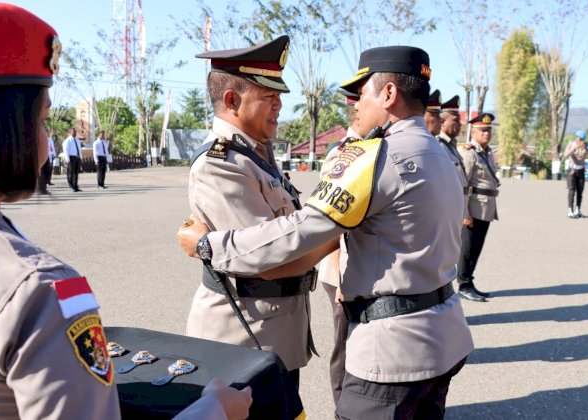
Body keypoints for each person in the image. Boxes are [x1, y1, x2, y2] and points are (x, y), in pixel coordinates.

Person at [0, 4, 251, 420]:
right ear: (0, 131)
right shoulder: (41, 289)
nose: (46, 137)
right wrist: (215, 409)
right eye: (42, 120)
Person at [179, 45, 474, 419]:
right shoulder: (440, 153)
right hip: (440, 337)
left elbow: (301, 232)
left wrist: (206, 244)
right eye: (268, 96)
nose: (358, 106)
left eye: (363, 93)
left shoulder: (376, 156)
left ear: (388, 94)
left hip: (394, 351)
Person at [184, 35, 320, 389]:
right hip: (242, 337)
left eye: (278, 97)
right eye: (268, 97)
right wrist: (338, 229)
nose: (278, 106)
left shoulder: (257, 155)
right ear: (232, 100)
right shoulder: (222, 165)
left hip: (273, 331)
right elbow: (269, 259)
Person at [317, 87, 360, 407]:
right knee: (345, 345)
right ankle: (341, 408)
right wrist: (340, 275)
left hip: (363, 268)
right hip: (342, 271)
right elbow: (329, 222)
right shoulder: (342, 152)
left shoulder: (375, 146)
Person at [457, 113, 500, 302]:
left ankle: (470, 282)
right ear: (472, 132)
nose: (487, 133)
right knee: (467, 249)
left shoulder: (488, 152)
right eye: (483, 130)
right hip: (472, 208)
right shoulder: (469, 152)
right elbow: (462, 185)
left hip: (486, 208)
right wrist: (465, 213)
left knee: (476, 248)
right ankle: (464, 285)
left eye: (489, 130)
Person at [437, 95, 470, 218]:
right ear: (442, 122)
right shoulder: (437, 145)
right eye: (456, 120)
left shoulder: (451, 145)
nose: (460, 124)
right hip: (446, 211)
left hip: (458, 208)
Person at [564, 129, 588, 218]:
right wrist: (573, 149)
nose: (580, 141)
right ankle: (570, 210)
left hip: (581, 170)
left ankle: (578, 210)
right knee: (571, 190)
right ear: (576, 138)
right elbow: (566, 155)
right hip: (572, 170)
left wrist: (586, 149)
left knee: (580, 191)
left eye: (582, 139)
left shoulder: (587, 145)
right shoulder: (571, 144)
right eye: (579, 138)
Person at [62, 127, 82, 192]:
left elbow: (79, 149)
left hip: (77, 157)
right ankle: (71, 185)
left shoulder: (77, 140)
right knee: (71, 173)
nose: (75, 133)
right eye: (74, 132)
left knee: (76, 173)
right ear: (70, 133)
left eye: (75, 132)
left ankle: (75, 186)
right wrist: (68, 160)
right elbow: (66, 151)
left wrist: (80, 157)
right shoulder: (67, 140)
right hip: (71, 158)